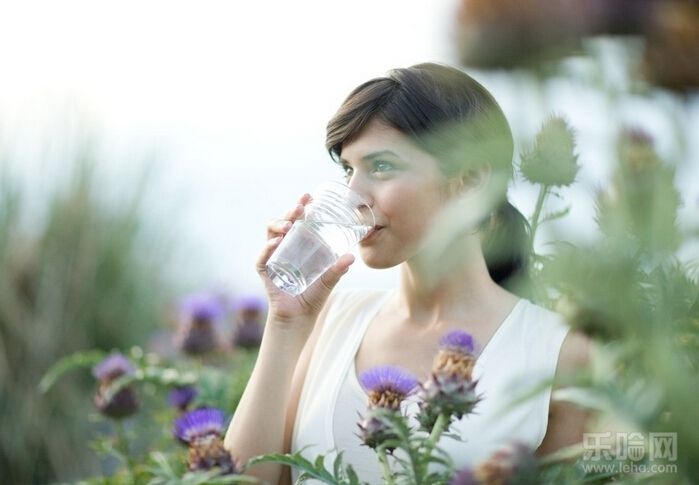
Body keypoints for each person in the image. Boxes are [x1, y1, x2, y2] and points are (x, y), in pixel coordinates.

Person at [224, 62, 591, 484]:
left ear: (470, 180)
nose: (353, 196)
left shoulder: (562, 350)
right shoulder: (329, 319)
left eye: (381, 167)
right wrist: (286, 320)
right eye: (348, 170)